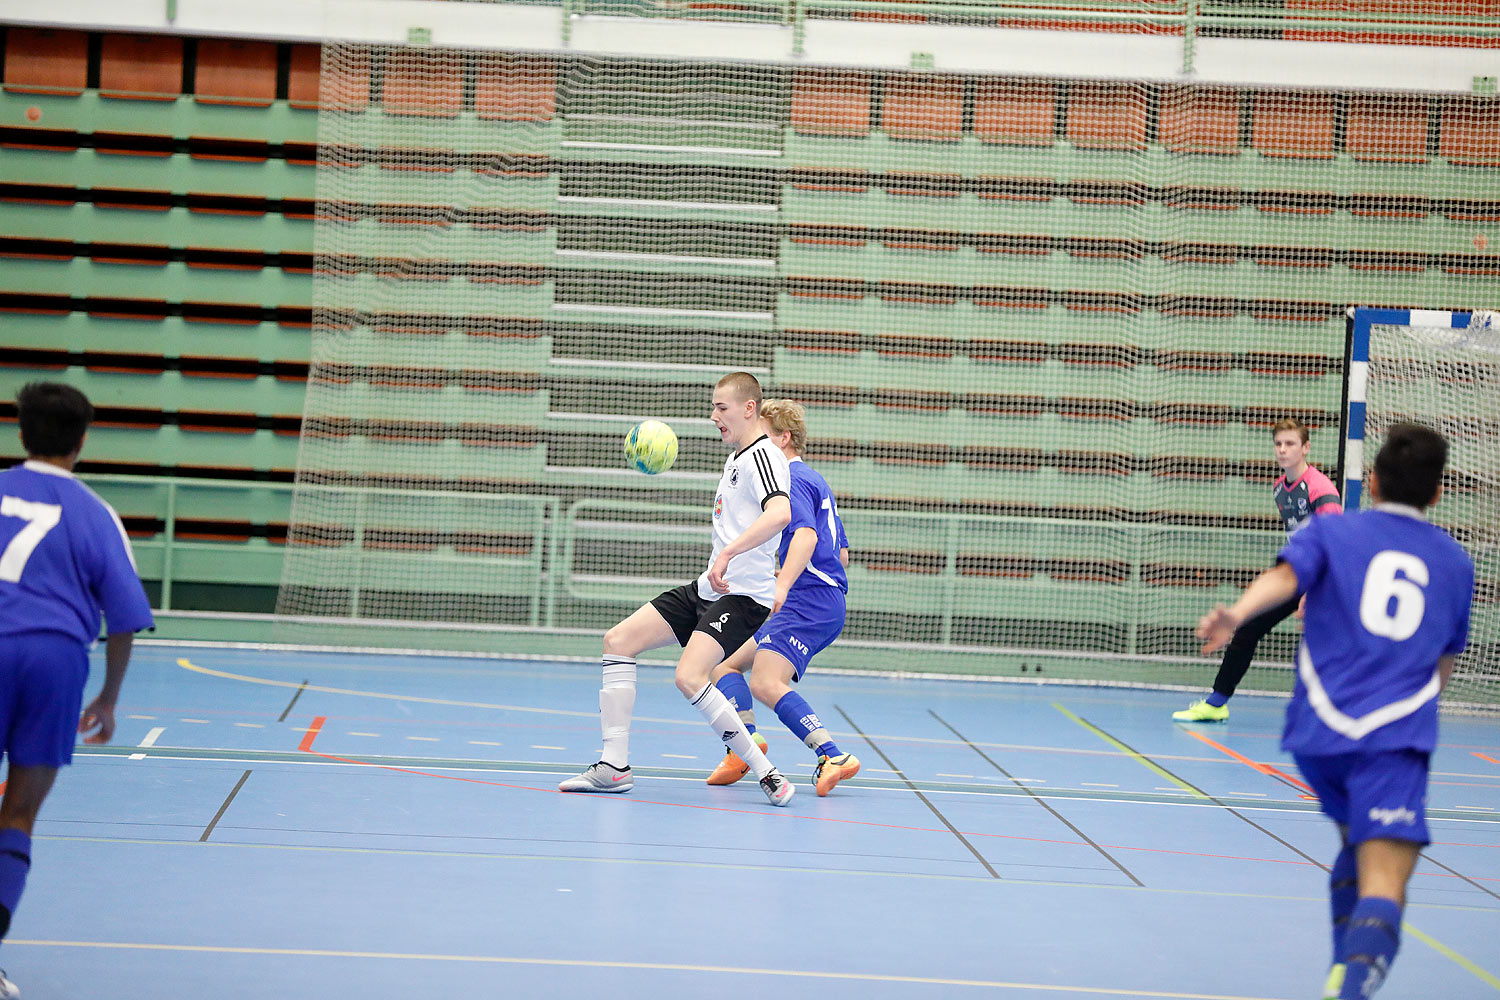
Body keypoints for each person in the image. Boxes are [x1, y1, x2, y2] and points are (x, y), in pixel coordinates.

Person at [1196, 423, 1472, 1000]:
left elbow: (1285, 576)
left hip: (1317, 735)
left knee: (1355, 842)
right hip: (1391, 740)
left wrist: (1235, 615)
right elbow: (1442, 667)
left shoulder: (1336, 532)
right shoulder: (1453, 564)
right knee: (1385, 882)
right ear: (1439, 492)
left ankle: (1339, 972)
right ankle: (1350, 989)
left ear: (1370, 482)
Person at [560, 372, 796, 806]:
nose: (713, 416)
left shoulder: (764, 457)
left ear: (749, 408)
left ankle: (768, 774)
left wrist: (729, 553)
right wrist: (718, 564)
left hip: (744, 598)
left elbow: (780, 513)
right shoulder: (738, 457)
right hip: (710, 588)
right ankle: (614, 767)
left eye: (721, 408)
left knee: (689, 677)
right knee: (618, 641)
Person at [0, 383, 155, 997]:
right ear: (83, 441)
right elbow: (124, 619)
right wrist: (109, 699)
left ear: (20, 433)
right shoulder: (95, 513)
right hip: (55, 660)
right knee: (17, 813)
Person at [704, 399, 861, 796]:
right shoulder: (814, 479)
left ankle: (833, 755)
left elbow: (807, 537)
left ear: (783, 438)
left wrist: (784, 584)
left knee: (765, 681)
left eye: (763, 434)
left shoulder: (791, 478)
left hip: (808, 600)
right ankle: (746, 746)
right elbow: (840, 554)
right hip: (820, 595)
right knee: (724, 665)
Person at [1174, 417, 1342, 722]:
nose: (1282, 449)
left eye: (1290, 443)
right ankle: (1216, 703)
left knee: (1329, 642)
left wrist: (1317, 587)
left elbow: (1336, 542)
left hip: (1325, 575)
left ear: (1305, 448)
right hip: (1296, 572)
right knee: (1248, 628)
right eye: (1278, 443)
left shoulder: (1320, 488)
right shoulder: (1280, 488)